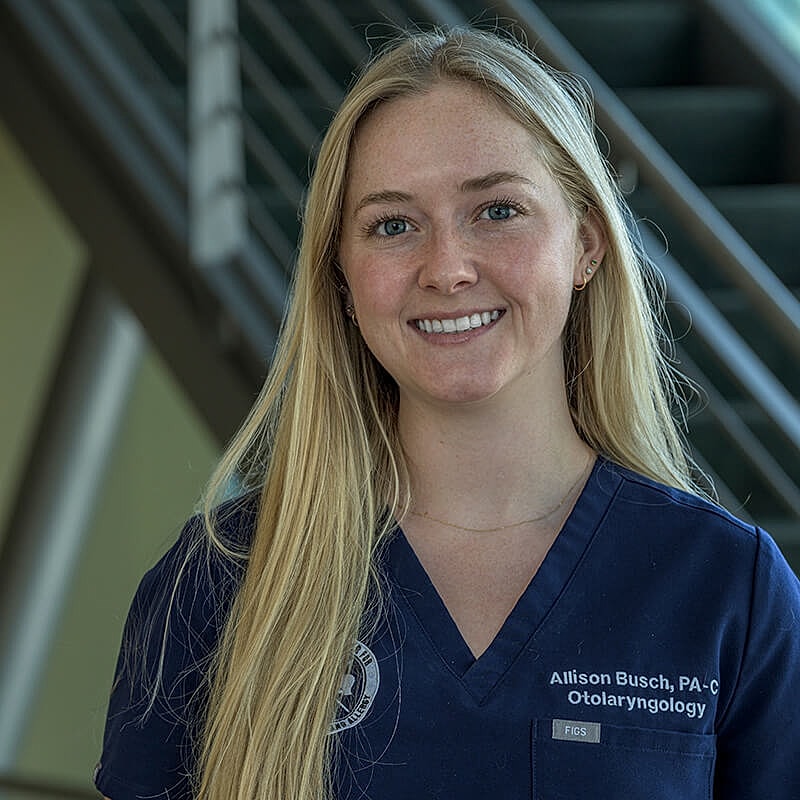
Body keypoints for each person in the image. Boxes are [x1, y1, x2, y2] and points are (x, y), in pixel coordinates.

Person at [94, 26, 800, 800]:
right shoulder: (219, 583)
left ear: (588, 245)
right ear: (343, 274)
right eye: (393, 226)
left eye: (497, 210)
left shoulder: (728, 587)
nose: (448, 269)